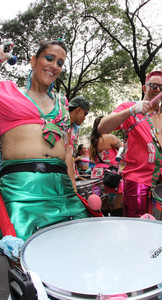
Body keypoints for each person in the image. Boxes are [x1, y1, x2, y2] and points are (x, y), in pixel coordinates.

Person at [0, 40, 88, 244]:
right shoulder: (7, 93)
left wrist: (73, 188)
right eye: (49, 58)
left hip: (62, 188)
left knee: (77, 246)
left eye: (60, 63)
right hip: (22, 189)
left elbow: (66, 150)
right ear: (34, 60)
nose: (54, 66)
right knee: (28, 259)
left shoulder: (62, 103)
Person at [98, 70, 162, 217]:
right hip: (137, 181)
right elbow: (103, 127)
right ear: (144, 88)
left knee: (160, 225)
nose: (158, 90)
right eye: (153, 86)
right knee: (139, 228)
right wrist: (132, 110)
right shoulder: (131, 108)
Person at [89, 116, 123, 216]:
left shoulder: (93, 142)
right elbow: (123, 150)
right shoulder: (109, 138)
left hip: (97, 176)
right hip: (110, 175)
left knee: (104, 207)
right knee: (116, 208)